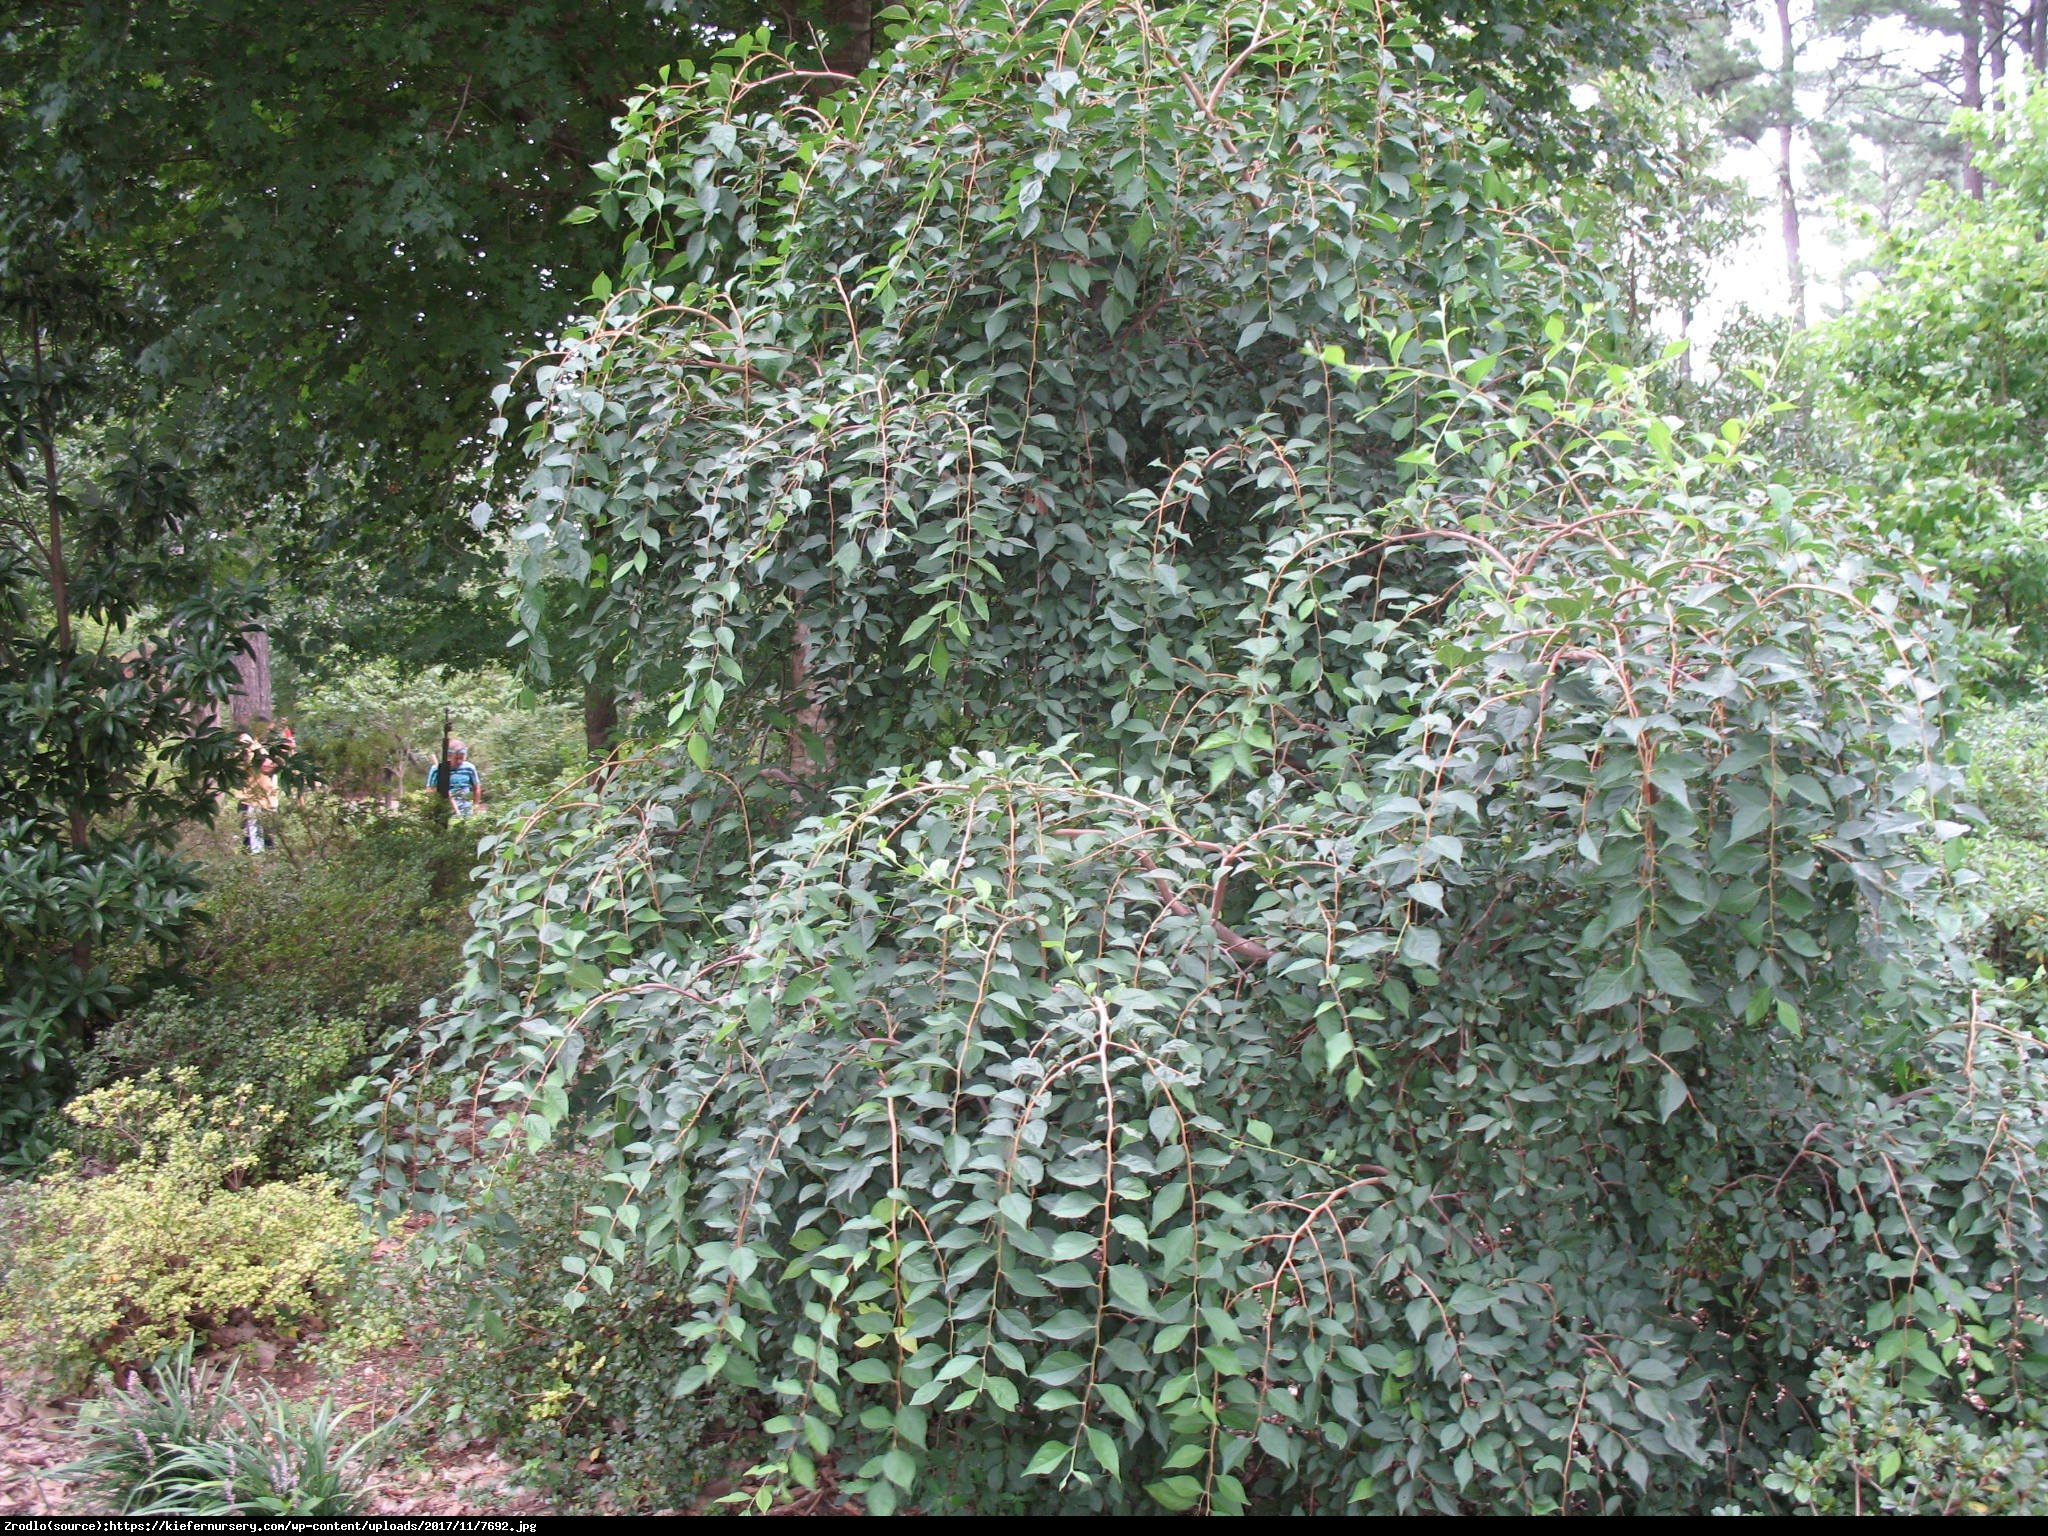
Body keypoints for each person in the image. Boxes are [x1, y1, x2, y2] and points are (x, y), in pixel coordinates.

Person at [236, 729, 281, 853]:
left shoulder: (258, 746)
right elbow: (264, 765)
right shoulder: (246, 746)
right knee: (255, 842)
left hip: (267, 801)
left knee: (267, 839)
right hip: (253, 801)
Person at [428, 738, 484, 818]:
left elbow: (477, 788)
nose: (459, 761)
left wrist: (475, 806)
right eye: (456, 758)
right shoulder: (437, 769)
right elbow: (429, 790)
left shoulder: (469, 768)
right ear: (449, 756)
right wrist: (443, 791)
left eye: (462, 758)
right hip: (445, 811)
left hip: (466, 810)